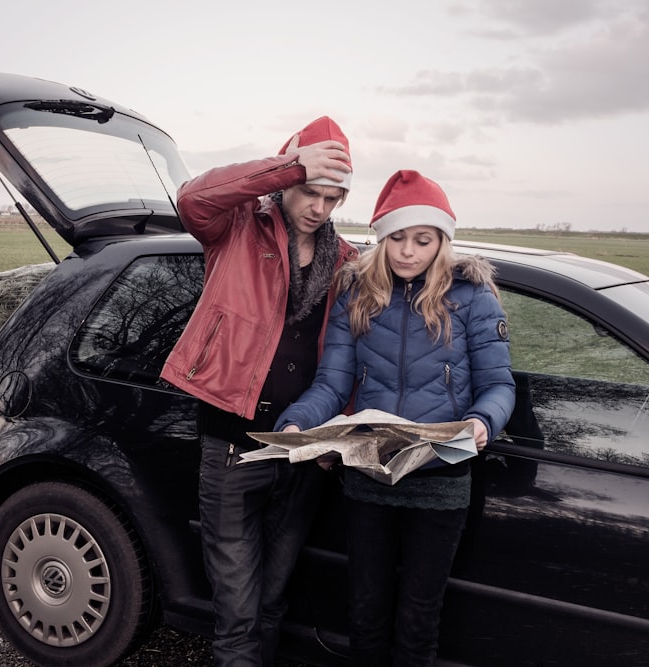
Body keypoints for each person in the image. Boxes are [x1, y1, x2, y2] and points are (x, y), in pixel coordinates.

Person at [274, 170, 516, 666]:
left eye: (422, 240)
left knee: (419, 619)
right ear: (381, 240)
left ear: (442, 241)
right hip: (368, 479)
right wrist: (298, 425)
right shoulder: (356, 295)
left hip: (442, 476)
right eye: (397, 239)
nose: (408, 252)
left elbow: (498, 385)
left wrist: (482, 422)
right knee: (365, 613)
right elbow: (333, 384)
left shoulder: (473, 298)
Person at [160, 116, 360, 666]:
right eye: (309, 191)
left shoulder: (343, 262)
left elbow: (346, 359)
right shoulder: (238, 228)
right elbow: (193, 197)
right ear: (285, 181)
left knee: (272, 603)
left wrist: (326, 443)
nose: (319, 208)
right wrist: (289, 163)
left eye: (332, 197)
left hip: (300, 453)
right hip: (232, 447)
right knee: (238, 613)